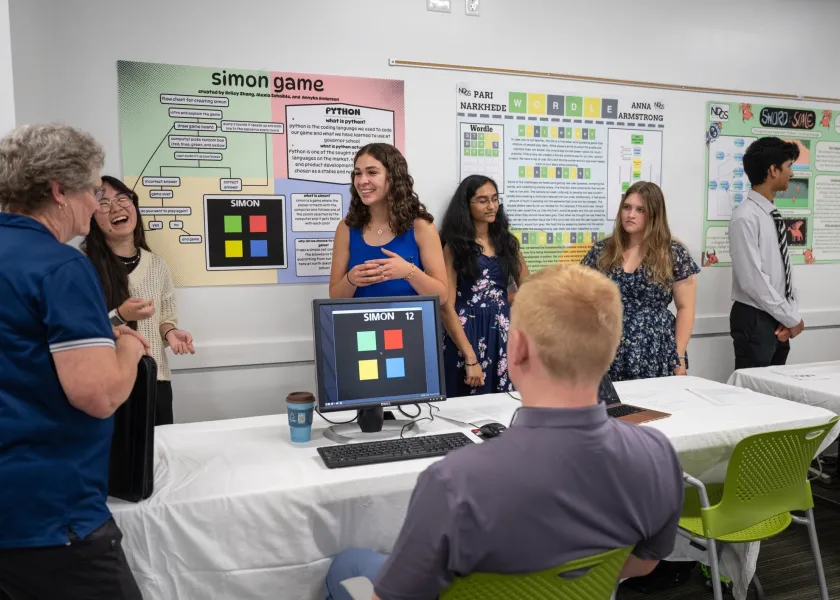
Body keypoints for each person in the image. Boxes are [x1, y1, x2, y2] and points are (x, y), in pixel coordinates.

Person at [323, 264, 685, 600]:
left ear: (518, 348)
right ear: (611, 346)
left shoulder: (453, 481)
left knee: (348, 564)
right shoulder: (657, 455)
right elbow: (644, 562)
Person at [0, 124, 149, 599]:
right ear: (59, 191)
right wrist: (126, 348)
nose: (97, 204)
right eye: (93, 190)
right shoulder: (61, 266)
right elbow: (99, 394)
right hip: (50, 519)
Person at [83, 175, 195, 426]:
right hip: (107, 383)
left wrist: (171, 333)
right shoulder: (81, 265)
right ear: (91, 216)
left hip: (154, 379)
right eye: (104, 203)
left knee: (159, 457)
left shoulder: (157, 264)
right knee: (118, 461)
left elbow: (165, 319)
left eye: (123, 199)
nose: (116, 208)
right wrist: (120, 316)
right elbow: (80, 331)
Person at [581, 181, 699, 381]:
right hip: (608, 344)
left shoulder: (673, 253)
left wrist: (678, 355)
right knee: (610, 408)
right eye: (627, 207)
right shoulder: (603, 251)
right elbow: (579, 294)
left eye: (640, 209)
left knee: (654, 407)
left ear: (654, 214)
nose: (631, 214)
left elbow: (685, 308)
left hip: (655, 347)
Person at [438, 175, 528, 397]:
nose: (492, 206)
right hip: (464, 333)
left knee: (503, 405)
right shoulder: (454, 246)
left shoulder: (507, 243)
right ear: (466, 206)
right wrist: (470, 357)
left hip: (502, 332)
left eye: (495, 199)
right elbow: (445, 306)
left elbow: (529, 287)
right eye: (483, 200)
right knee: (464, 405)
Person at [329, 143, 447, 302]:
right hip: (361, 325)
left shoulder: (421, 227)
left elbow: (442, 297)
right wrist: (350, 280)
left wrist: (409, 272)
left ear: (393, 177)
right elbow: (335, 296)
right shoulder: (346, 228)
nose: (362, 180)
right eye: (358, 173)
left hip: (409, 324)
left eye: (371, 172)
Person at [730, 137, 803, 369]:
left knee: (776, 394)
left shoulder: (771, 215)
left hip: (776, 315)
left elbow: (784, 273)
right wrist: (791, 318)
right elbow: (753, 281)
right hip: (755, 317)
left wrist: (788, 315)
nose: (791, 173)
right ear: (773, 170)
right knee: (752, 396)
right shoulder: (745, 217)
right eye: (788, 166)